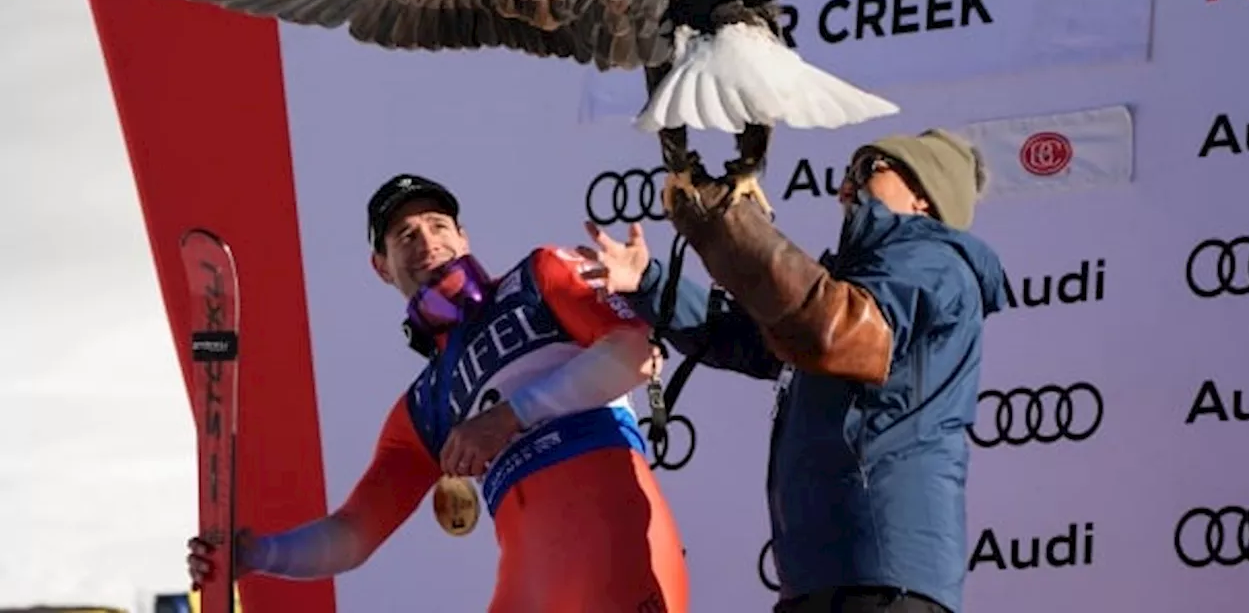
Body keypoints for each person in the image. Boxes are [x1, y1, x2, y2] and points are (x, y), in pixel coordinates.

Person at [185, 174, 690, 613]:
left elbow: (636, 354)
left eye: (438, 225)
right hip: (529, 586)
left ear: (464, 237)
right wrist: (257, 556)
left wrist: (511, 416)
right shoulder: (422, 406)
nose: (426, 241)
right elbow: (353, 535)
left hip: (616, 547)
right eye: (405, 235)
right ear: (381, 267)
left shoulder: (538, 276)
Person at [578, 129, 1008, 613]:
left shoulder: (931, 259)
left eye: (869, 169)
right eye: (848, 171)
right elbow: (749, 337)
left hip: (882, 576)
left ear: (925, 196)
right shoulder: (856, 282)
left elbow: (831, 329)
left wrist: (728, 224)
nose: (847, 185)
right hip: (825, 575)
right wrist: (649, 284)